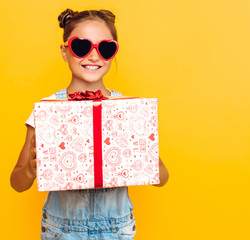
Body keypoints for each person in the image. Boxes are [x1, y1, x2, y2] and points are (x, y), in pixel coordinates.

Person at [10, 9, 169, 239]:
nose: (94, 56)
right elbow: (17, 182)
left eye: (104, 48)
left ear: (113, 54)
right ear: (65, 52)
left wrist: (140, 156)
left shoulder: (127, 110)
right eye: (82, 46)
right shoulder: (46, 110)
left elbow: (163, 177)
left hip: (117, 229)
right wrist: (30, 169)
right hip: (61, 230)